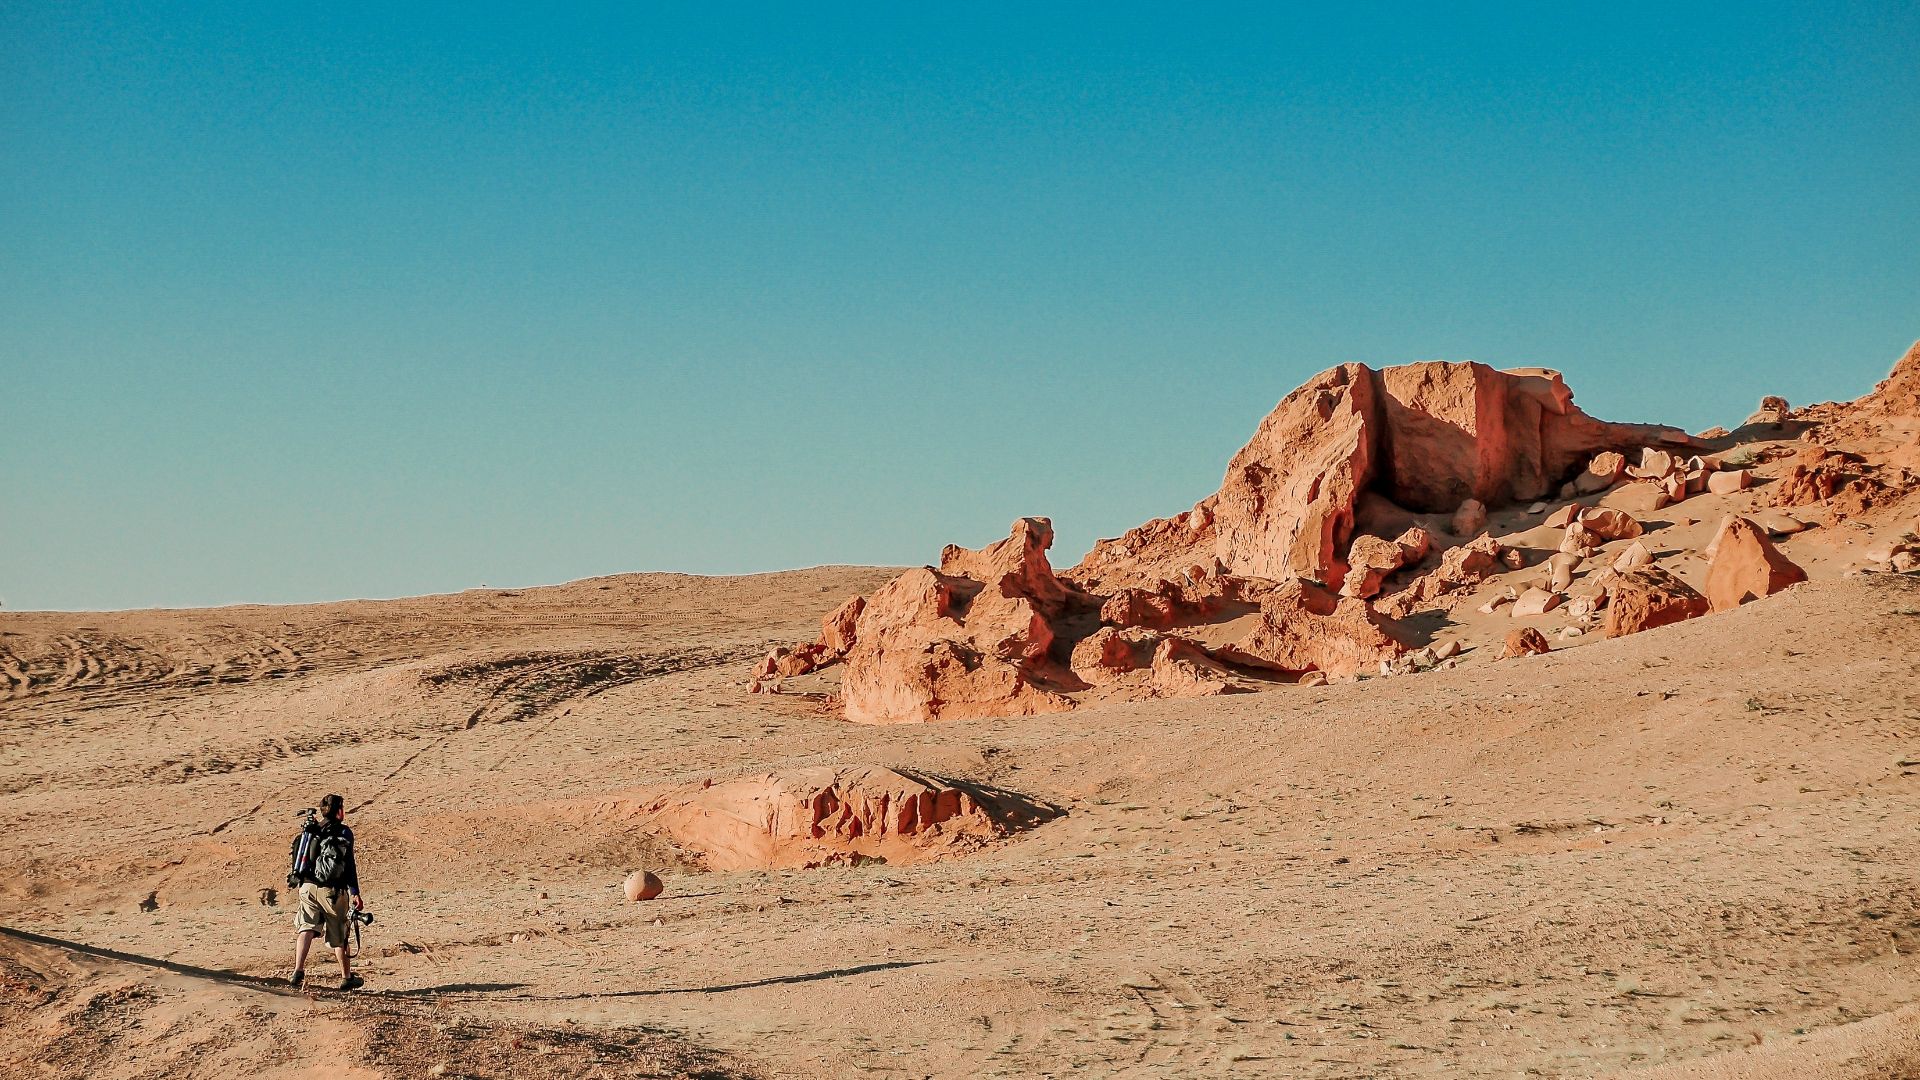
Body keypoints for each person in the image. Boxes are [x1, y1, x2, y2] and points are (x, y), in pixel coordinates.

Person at [288, 793, 364, 991]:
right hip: (331, 891)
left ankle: (298, 970)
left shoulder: (312, 831)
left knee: (306, 927)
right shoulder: (344, 833)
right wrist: (354, 892)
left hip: (306, 888)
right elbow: (349, 865)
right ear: (339, 811)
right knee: (340, 934)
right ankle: (347, 977)